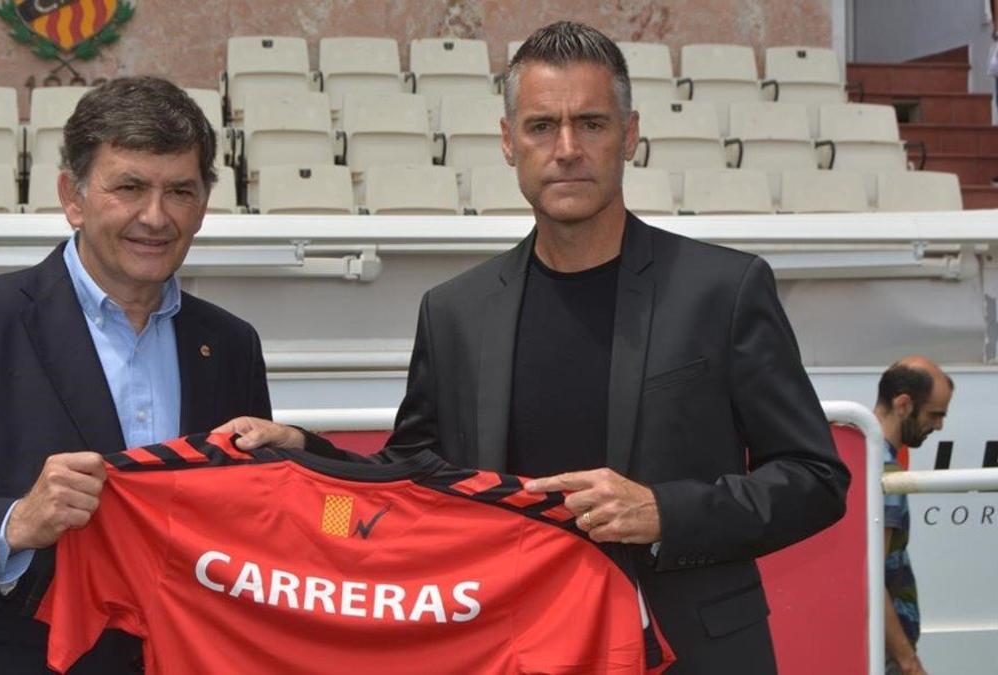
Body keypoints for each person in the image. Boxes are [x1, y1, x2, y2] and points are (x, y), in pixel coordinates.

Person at [218, 22, 850, 674]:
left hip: (689, 651)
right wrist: (306, 456)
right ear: (507, 141)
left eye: (593, 124)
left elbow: (815, 478)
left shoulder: (724, 288)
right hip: (513, 651)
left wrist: (663, 512)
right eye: (542, 126)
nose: (567, 148)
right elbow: (410, 479)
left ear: (629, 136)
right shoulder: (455, 312)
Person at [0, 76, 272, 674]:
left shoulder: (230, 343)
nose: (155, 217)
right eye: (128, 187)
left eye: (180, 190)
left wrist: (298, 457)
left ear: (204, 204)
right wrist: (14, 523)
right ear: (72, 197)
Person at [873, 357, 954, 675]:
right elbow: (871, 577)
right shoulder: (885, 473)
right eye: (934, 414)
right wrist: (909, 662)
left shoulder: (860, 454)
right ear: (903, 404)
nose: (938, 426)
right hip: (885, 652)